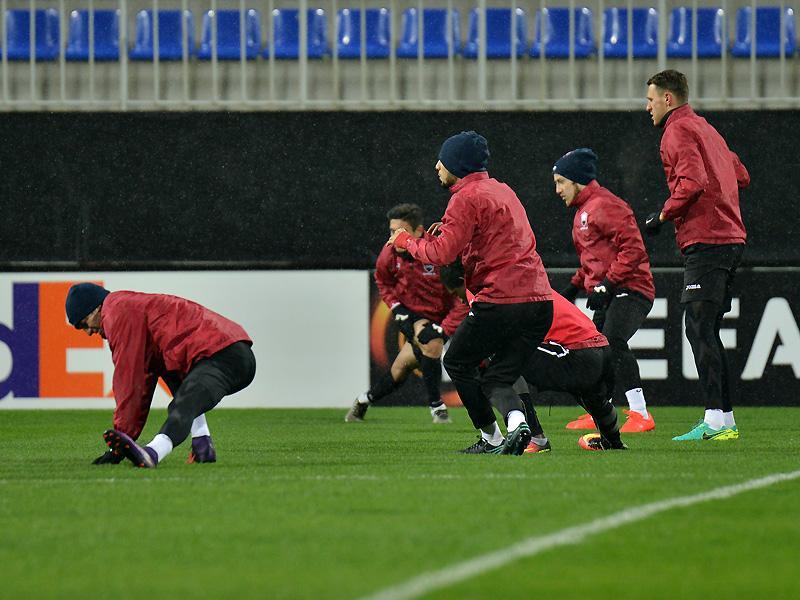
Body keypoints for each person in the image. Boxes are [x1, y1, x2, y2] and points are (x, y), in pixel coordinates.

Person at [388, 131, 554, 455]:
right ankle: (528, 431)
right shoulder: (503, 190)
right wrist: (442, 236)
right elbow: (496, 241)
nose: (437, 166)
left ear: (457, 164)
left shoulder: (464, 197)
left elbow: (441, 255)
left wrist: (407, 241)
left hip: (501, 299)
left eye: (443, 160)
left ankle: (492, 437)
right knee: (499, 375)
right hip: (539, 301)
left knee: (457, 361)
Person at [644, 69, 750, 441]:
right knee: (707, 328)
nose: (648, 107)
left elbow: (692, 182)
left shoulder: (676, 131)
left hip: (708, 240)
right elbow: (741, 175)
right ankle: (724, 419)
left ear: (668, 98)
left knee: (699, 327)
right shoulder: (707, 129)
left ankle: (717, 420)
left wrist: (662, 215)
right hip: (731, 238)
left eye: (651, 99)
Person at [439, 259, 626, 452]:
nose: (460, 300)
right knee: (590, 394)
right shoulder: (516, 279)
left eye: (455, 293)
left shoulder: (481, 290)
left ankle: (535, 439)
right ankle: (613, 441)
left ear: (463, 280)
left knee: (500, 366)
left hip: (575, 353)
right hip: (601, 350)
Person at [65, 282, 256, 468]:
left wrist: (121, 441)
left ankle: (153, 453)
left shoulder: (118, 313)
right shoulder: (124, 306)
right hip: (223, 350)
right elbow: (149, 371)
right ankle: (202, 445)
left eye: (83, 324)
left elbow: (132, 378)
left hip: (224, 355)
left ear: (95, 309)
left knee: (183, 402)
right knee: (177, 383)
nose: (88, 332)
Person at [553, 148, 656, 434]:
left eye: (561, 182)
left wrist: (608, 284)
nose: (557, 190)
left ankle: (640, 413)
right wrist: (573, 287)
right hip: (608, 291)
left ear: (577, 180)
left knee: (612, 341)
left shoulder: (605, 205)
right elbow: (593, 260)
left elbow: (633, 249)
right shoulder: (584, 211)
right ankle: (600, 411)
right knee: (594, 352)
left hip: (631, 288)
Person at [346, 203, 469, 424]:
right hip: (414, 316)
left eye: (399, 231)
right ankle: (437, 407)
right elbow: (382, 281)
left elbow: (463, 295)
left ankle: (364, 400)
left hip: (446, 316)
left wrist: (444, 327)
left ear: (418, 231)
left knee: (400, 368)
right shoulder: (389, 252)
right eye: (391, 231)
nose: (394, 237)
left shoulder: (437, 251)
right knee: (431, 343)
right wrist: (396, 308)